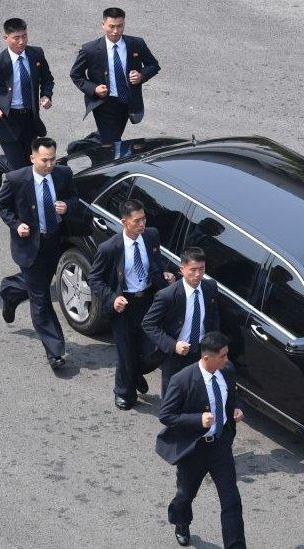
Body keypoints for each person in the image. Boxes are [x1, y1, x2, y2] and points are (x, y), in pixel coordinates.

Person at [0, 137, 84, 370]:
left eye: (53, 159)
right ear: (32, 158)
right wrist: (16, 225)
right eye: (45, 160)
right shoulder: (16, 179)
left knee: (39, 285)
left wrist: (68, 205)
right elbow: (1, 206)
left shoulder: (63, 174)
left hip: (53, 242)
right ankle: (55, 351)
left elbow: (76, 198)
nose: (50, 164)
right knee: (41, 299)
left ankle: (11, 291)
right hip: (28, 246)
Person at [156, 331, 245, 548]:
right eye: (223, 356)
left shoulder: (227, 370)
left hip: (220, 446)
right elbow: (166, 415)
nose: (227, 359)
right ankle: (180, 520)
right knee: (185, 495)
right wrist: (198, 420)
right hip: (194, 450)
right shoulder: (182, 380)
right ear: (207, 358)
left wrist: (235, 408)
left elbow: (231, 396)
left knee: (231, 501)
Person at [88, 199, 175, 410]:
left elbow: (156, 261)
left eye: (144, 219)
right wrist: (112, 298)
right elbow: (95, 279)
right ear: (124, 222)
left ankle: (135, 373)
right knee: (126, 352)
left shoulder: (151, 236)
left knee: (154, 348)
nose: (142, 224)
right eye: (137, 221)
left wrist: (164, 273)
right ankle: (123, 391)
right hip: (124, 306)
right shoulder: (110, 248)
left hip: (147, 300)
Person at [0, 17, 54, 169]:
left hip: (29, 118)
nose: (21, 42)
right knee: (19, 170)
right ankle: (7, 173)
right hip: (7, 120)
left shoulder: (36, 54)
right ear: (6, 38)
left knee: (31, 163)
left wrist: (46, 95)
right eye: (16, 38)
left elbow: (47, 79)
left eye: (24, 36)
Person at [70, 7, 161, 143]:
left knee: (113, 137)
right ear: (103, 25)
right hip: (105, 104)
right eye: (111, 26)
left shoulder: (136, 44)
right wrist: (94, 89)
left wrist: (141, 75)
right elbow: (76, 74)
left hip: (128, 101)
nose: (116, 31)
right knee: (111, 142)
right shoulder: (90, 49)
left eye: (120, 26)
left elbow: (153, 65)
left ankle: (95, 143)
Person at [142, 247, 221, 396]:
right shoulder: (167, 295)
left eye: (202, 269)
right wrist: (173, 345)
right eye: (193, 270)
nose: (198, 274)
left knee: (195, 394)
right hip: (176, 354)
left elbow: (213, 314)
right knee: (172, 396)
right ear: (182, 270)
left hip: (201, 352)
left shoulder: (210, 287)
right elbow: (148, 324)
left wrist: (212, 340)